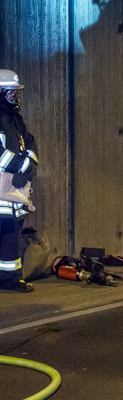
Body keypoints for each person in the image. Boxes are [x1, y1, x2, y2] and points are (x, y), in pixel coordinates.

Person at [0, 70, 37, 293]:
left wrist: (30, 164)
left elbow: (30, 143)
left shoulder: (15, 119)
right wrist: (21, 167)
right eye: (11, 92)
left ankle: (11, 279)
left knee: (11, 233)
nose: (15, 96)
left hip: (12, 190)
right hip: (5, 184)